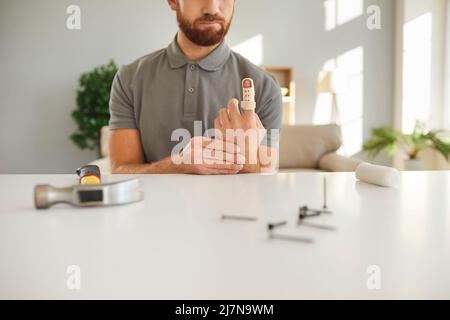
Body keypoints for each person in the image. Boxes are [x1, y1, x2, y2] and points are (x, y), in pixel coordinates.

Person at [109, 0, 282, 175]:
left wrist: (245, 155)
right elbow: (120, 170)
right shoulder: (129, 79)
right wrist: (179, 164)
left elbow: (268, 175)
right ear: (173, 2)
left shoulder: (266, 87)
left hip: (232, 203)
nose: (212, 8)